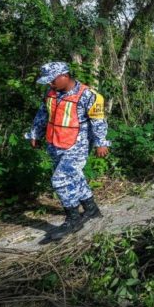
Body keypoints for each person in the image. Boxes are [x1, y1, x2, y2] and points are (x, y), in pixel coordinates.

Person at [27, 62, 110, 241]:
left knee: (61, 179)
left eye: (52, 80)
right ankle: (91, 209)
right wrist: (35, 132)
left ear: (64, 76)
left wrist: (101, 143)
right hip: (55, 142)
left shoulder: (88, 95)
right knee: (74, 176)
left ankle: (73, 219)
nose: (50, 84)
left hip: (77, 145)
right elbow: (43, 113)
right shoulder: (51, 92)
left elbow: (98, 121)